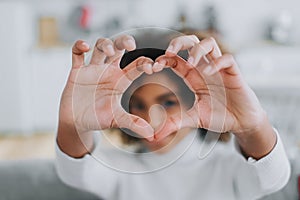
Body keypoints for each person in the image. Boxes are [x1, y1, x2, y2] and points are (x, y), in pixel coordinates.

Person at [55, 31, 290, 200]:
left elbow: (273, 177)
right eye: (137, 104)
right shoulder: (122, 168)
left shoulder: (225, 166)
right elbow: (76, 173)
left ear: (194, 99)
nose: (151, 119)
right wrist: (72, 124)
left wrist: (252, 125)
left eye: (167, 102)